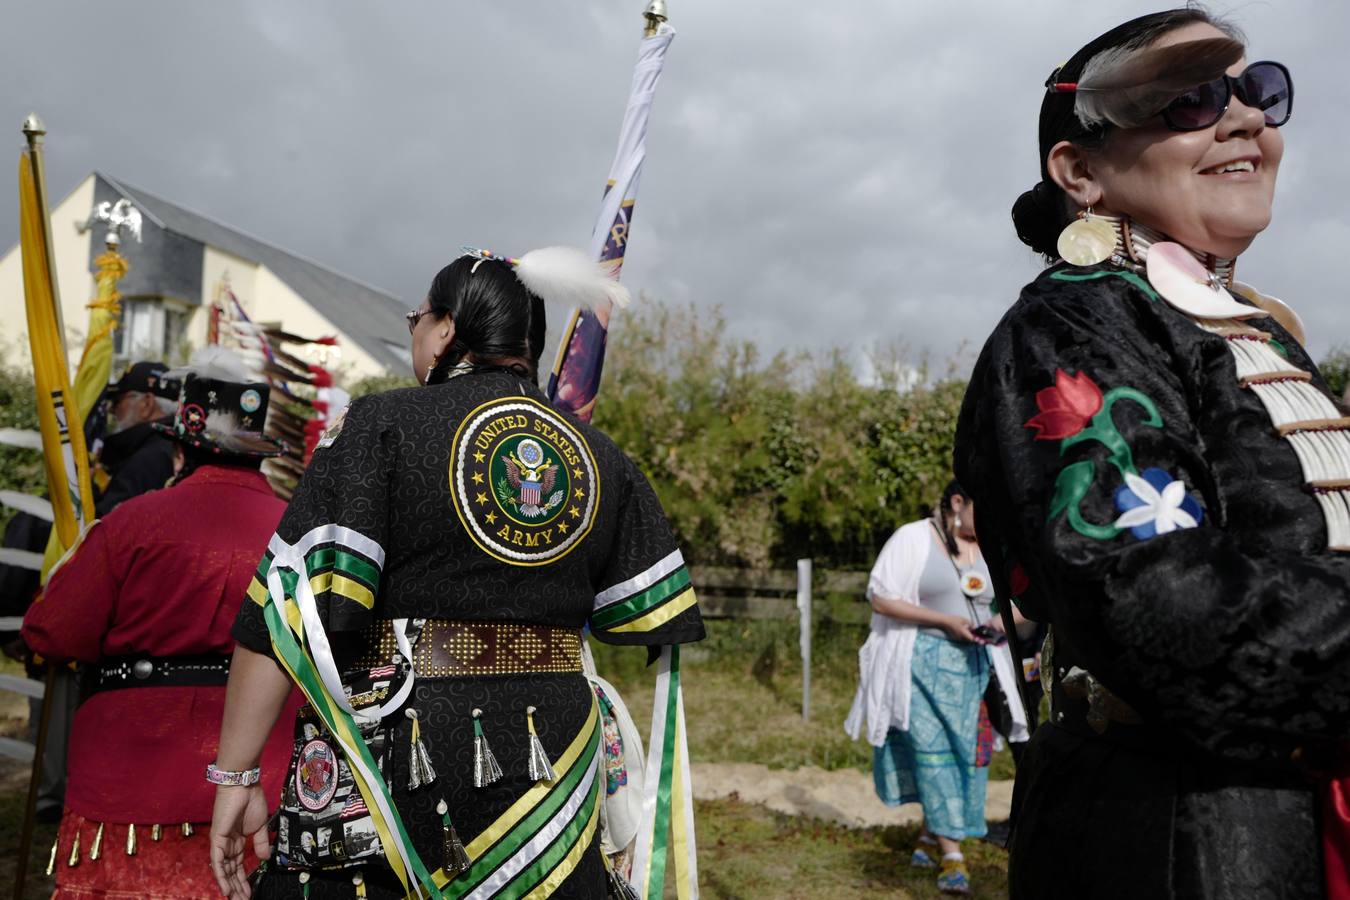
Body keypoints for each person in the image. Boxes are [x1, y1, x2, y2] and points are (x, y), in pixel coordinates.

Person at [954, 8, 1350, 899]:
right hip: (1183, 834)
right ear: (1082, 171)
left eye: (1260, 90)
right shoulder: (1069, 326)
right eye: (1191, 97)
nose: (1245, 116)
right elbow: (1163, 603)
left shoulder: (1249, 326)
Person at [210, 248, 705, 900]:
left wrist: (237, 777)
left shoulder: (380, 426)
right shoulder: (601, 459)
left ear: (446, 328)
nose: (415, 330)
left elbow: (287, 615)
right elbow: (640, 619)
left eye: (417, 317)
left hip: (402, 747)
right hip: (553, 755)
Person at [21, 355, 296, 898]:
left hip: (129, 776)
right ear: (257, 456)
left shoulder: (131, 522)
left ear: (179, 449)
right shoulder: (300, 530)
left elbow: (52, 634)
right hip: (266, 774)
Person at [845, 481, 1028, 895]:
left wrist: (1004, 621)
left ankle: (930, 834)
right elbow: (880, 597)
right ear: (958, 503)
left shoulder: (991, 545)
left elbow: (1025, 604)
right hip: (920, 665)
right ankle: (953, 855)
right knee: (933, 754)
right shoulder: (914, 538)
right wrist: (944, 621)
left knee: (967, 753)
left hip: (976, 669)